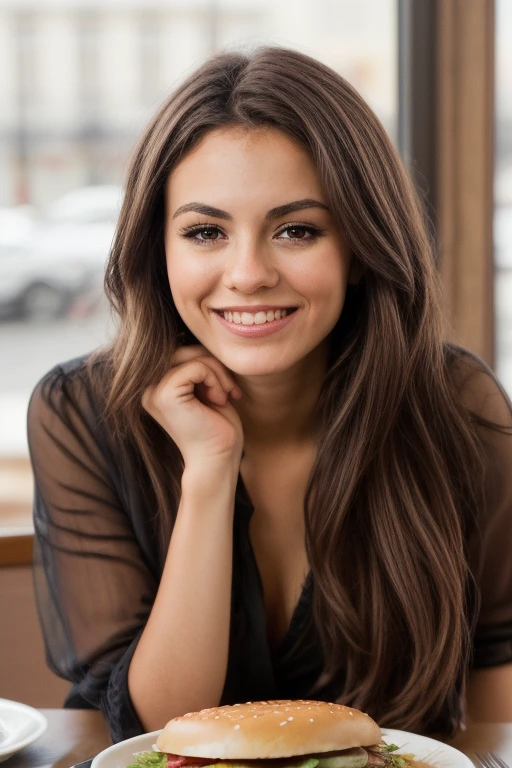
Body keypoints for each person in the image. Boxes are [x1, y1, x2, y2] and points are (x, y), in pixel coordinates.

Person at [27, 45, 512, 744]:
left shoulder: (457, 404)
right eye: (205, 232)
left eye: (296, 230)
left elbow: (496, 662)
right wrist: (209, 471)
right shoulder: (79, 412)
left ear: (360, 247)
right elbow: (160, 729)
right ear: (155, 249)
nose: (248, 273)